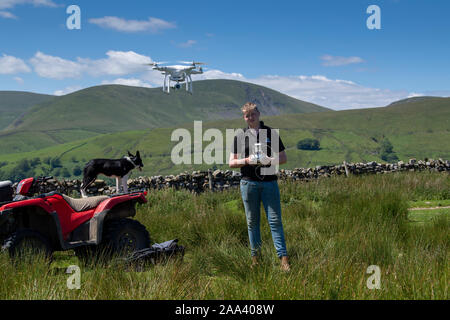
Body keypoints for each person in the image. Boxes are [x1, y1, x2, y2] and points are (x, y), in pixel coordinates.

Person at [229, 102, 290, 271]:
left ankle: (283, 259)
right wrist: (247, 160)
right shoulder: (240, 135)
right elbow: (231, 162)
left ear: (259, 114)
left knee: (275, 221)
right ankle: (255, 259)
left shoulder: (270, 132)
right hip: (248, 183)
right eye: (247, 115)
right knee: (252, 222)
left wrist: (268, 160)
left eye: (253, 114)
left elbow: (283, 158)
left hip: (269, 182)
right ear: (244, 117)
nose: (251, 117)